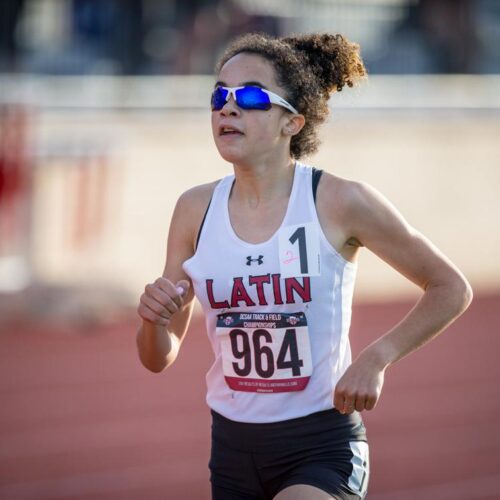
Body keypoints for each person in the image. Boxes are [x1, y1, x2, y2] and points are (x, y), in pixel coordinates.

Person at [136, 32, 473, 500]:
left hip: (320, 444)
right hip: (232, 449)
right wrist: (153, 320)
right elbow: (158, 356)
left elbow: (450, 287)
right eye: (219, 96)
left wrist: (377, 357)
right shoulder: (194, 210)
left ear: (292, 122)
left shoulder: (340, 201)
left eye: (251, 96)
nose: (228, 109)